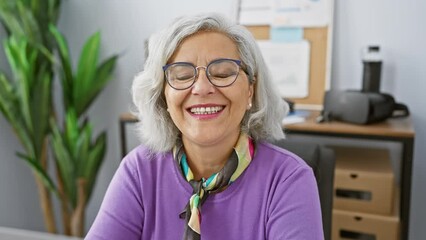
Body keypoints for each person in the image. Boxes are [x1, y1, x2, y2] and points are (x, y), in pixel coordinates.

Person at [86, 13, 323, 240]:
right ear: (163, 96)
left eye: (222, 73)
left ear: (250, 89)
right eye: (182, 75)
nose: (201, 88)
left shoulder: (288, 180)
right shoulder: (139, 172)